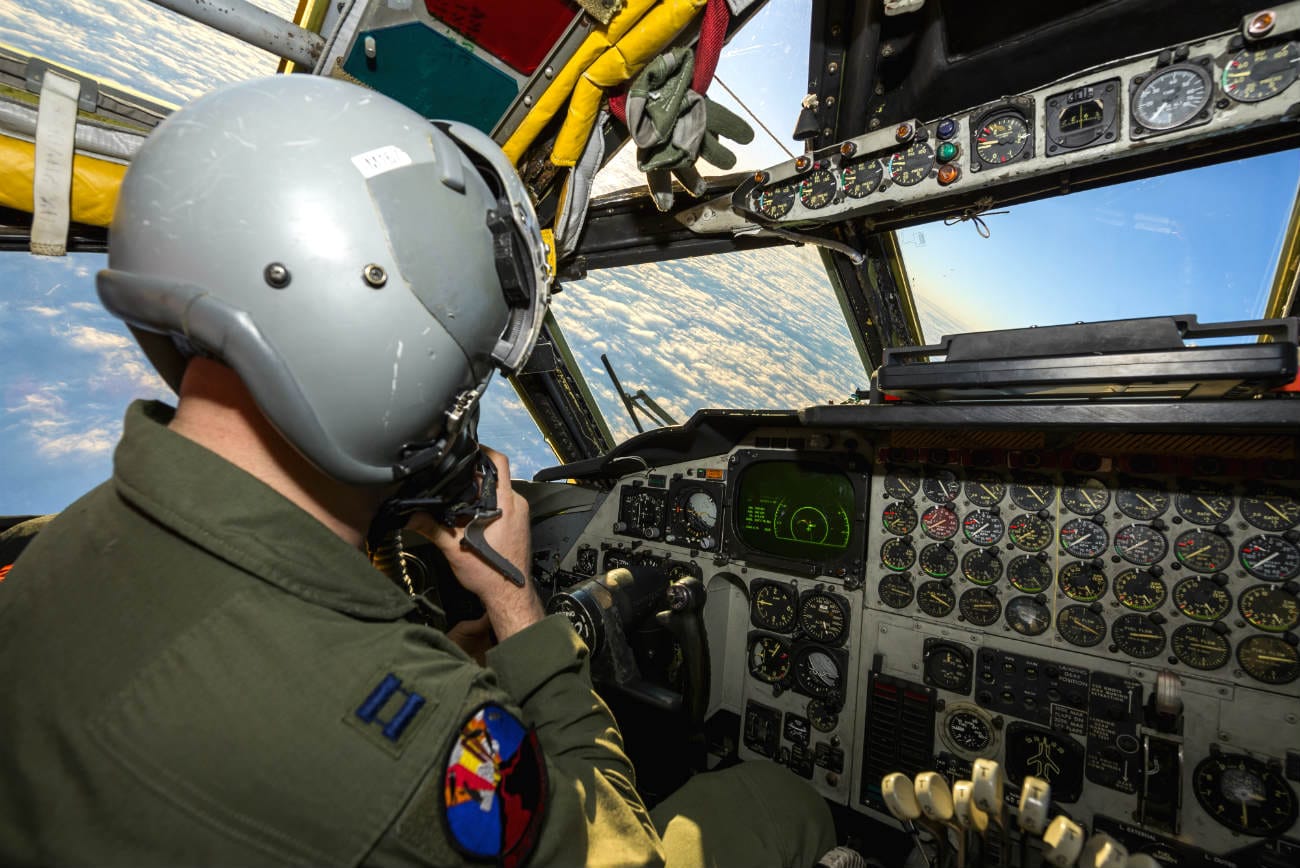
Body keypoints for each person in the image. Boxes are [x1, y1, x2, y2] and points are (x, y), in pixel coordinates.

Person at [0, 75, 837, 866]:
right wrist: (517, 608)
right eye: (468, 378)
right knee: (779, 802)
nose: (459, 412)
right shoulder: (402, 748)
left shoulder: (60, 542)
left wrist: (447, 655)